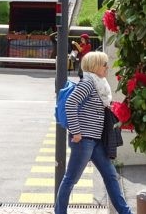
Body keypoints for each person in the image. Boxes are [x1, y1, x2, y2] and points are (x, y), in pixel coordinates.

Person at [55, 51, 133, 214]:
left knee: (111, 176)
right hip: (83, 140)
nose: (107, 67)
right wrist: (76, 132)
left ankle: (126, 212)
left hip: (96, 141)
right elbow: (70, 104)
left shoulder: (100, 84)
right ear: (95, 66)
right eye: (104, 64)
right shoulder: (88, 84)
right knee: (71, 179)